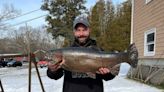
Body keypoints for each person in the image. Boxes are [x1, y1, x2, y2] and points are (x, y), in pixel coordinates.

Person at [47, 15, 117, 92]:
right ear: (74, 32)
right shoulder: (66, 52)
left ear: (89, 30)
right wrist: (52, 70)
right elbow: (55, 76)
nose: (81, 33)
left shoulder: (99, 51)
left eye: (84, 30)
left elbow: (109, 77)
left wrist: (107, 73)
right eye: (78, 30)